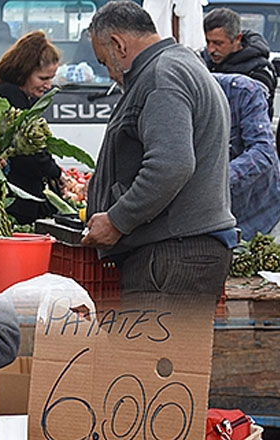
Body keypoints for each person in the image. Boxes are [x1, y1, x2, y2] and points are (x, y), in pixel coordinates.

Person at [82, 1, 235, 301]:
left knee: (158, 350)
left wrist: (117, 220)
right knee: (173, 350)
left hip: (172, 258)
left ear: (118, 44)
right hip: (181, 254)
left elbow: (171, 165)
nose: (112, 75)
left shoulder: (161, 77)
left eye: (104, 62)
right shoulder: (181, 65)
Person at [0, 30, 62, 225]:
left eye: (51, 79)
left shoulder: (11, 94)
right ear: (25, 71)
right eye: (43, 78)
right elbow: (31, 155)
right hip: (11, 201)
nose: (48, 85)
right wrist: (55, 172)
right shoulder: (10, 97)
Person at [212, 73, 280, 242]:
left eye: (218, 43)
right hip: (219, 220)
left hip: (264, 210)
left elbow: (263, 150)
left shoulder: (242, 90)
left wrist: (216, 181)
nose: (212, 50)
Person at [202, 8, 276, 118]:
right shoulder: (203, 61)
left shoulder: (259, 71)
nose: (211, 49)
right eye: (207, 42)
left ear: (237, 39)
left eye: (218, 43)